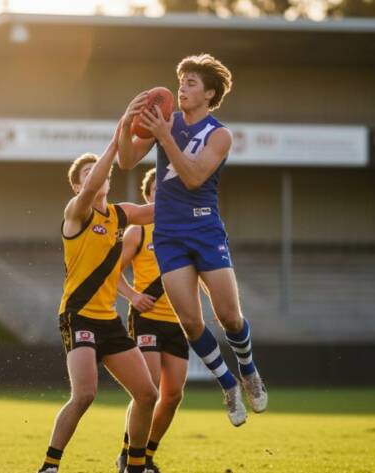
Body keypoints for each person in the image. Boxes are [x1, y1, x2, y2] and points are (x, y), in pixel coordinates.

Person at [116, 53, 267, 427]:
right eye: (180, 81)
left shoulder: (220, 134)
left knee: (229, 317)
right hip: (169, 234)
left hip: (204, 228)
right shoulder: (165, 121)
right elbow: (126, 161)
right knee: (191, 323)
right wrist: (125, 122)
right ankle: (229, 385)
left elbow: (194, 178)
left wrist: (165, 137)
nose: (181, 87)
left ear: (209, 93)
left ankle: (248, 370)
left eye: (191, 83)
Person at [37, 124, 158, 473]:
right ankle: (49, 466)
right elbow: (93, 184)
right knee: (85, 394)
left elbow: (156, 211)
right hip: (78, 316)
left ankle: (133, 466)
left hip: (109, 321)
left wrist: (186, 173)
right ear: (77, 186)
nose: (97, 177)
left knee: (148, 394)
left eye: (100, 172)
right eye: (89, 174)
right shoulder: (77, 212)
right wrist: (118, 138)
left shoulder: (120, 214)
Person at [115, 168, 188, 473]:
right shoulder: (138, 231)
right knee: (149, 389)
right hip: (146, 318)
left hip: (178, 322)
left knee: (173, 396)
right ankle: (128, 453)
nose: (163, 194)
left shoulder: (187, 230)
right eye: (157, 190)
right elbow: (111, 271)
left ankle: (147, 455)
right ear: (148, 196)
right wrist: (132, 296)